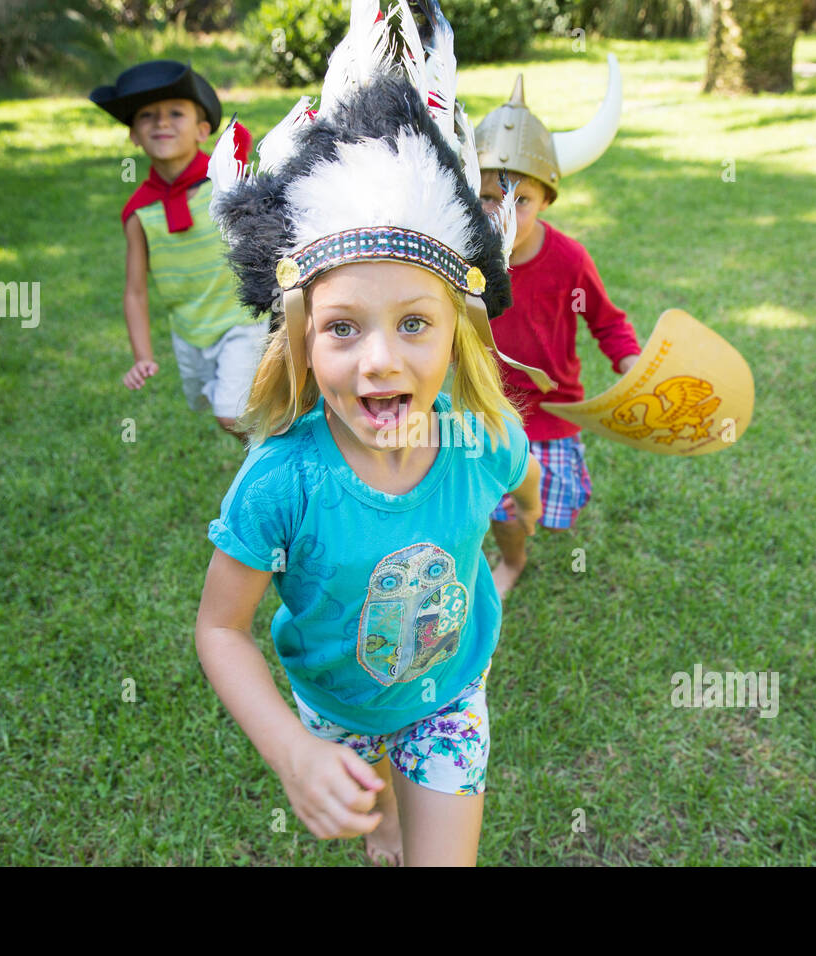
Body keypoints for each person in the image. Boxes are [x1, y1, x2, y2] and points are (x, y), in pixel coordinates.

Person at [193, 0, 554, 866]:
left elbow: (521, 479)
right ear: (302, 339)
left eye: (415, 325)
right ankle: (385, 818)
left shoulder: (481, 437)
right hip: (332, 710)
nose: (380, 361)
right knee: (377, 831)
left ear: (458, 330)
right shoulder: (281, 483)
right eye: (344, 328)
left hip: (449, 697)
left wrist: (513, 549)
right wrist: (291, 749)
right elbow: (219, 629)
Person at [473, 62, 643, 597]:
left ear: (547, 199)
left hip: (553, 411)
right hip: (484, 407)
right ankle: (511, 560)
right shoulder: (462, 257)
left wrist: (632, 364)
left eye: (521, 199)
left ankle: (522, 526)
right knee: (498, 508)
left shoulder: (569, 260)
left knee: (544, 510)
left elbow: (608, 322)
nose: (504, 211)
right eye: (489, 197)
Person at [90, 60, 267, 440]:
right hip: (189, 333)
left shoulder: (225, 183)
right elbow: (135, 291)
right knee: (233, 416)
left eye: (175, 113)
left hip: (242, 320)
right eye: (148, 116)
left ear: (203, 129)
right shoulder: (139, 212)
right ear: (134, 135)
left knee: (231, 414)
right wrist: (142, 356)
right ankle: (268, 460)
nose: (162, 123)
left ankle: (276, 471)